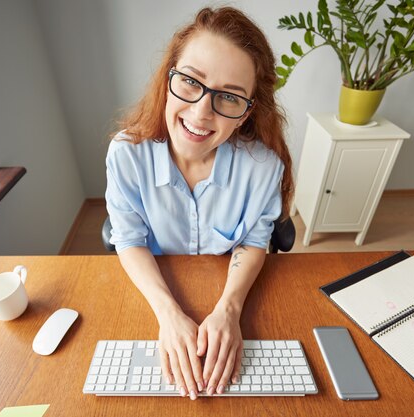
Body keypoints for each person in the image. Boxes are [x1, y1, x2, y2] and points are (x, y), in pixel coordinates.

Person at [105, 6, 293, 400]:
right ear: (169, 76)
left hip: (227, 290)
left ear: (245, 114)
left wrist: (229, 309)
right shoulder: (127, 155)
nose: (201, 112)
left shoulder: (263, 168)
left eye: (228, 96)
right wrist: (169, 315)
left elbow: (255, 241)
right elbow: (128, 238)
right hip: (156, 289)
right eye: (191, 81)